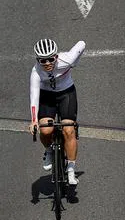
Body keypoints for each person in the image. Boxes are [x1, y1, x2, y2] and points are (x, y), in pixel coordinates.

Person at [30, 38, 85, 186]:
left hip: (66, 93)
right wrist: (34, 120)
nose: (47, 63)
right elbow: (34, 96)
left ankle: (71, 170)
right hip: (46, 96)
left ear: (56, 56)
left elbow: (81, 43)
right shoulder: (36, 72)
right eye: (43, 60)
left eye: (50, 59)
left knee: (69, 130)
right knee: (46, 130)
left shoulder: (66, 60)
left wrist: (75, 61)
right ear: (38, 60)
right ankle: (48, 151)